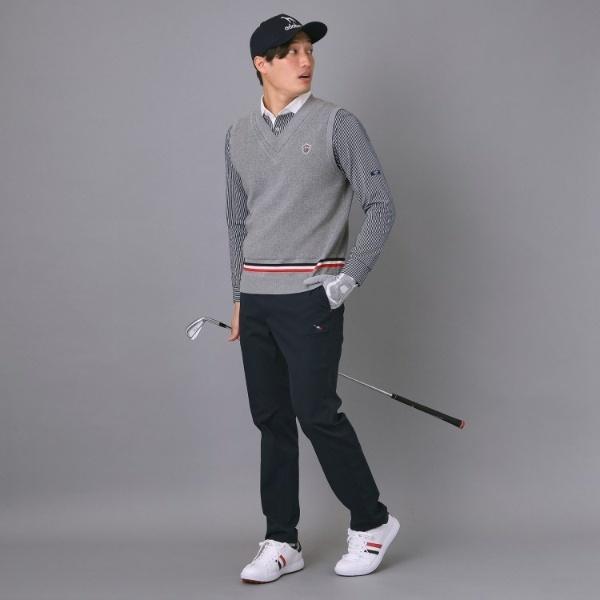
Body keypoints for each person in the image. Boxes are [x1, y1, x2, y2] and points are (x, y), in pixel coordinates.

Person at [225, 13, 399, 583]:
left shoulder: (337, 125)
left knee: (316, 413)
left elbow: (380, 206)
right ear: (261, 64)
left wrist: (346, 280)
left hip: (310, 298)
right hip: (257, 299)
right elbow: (238, 220)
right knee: (271, 419)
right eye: (289, 52)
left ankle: (372, 522)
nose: (305, 60)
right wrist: (238, 295)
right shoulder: (236, 135)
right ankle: (282, 540)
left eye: (308, 49)